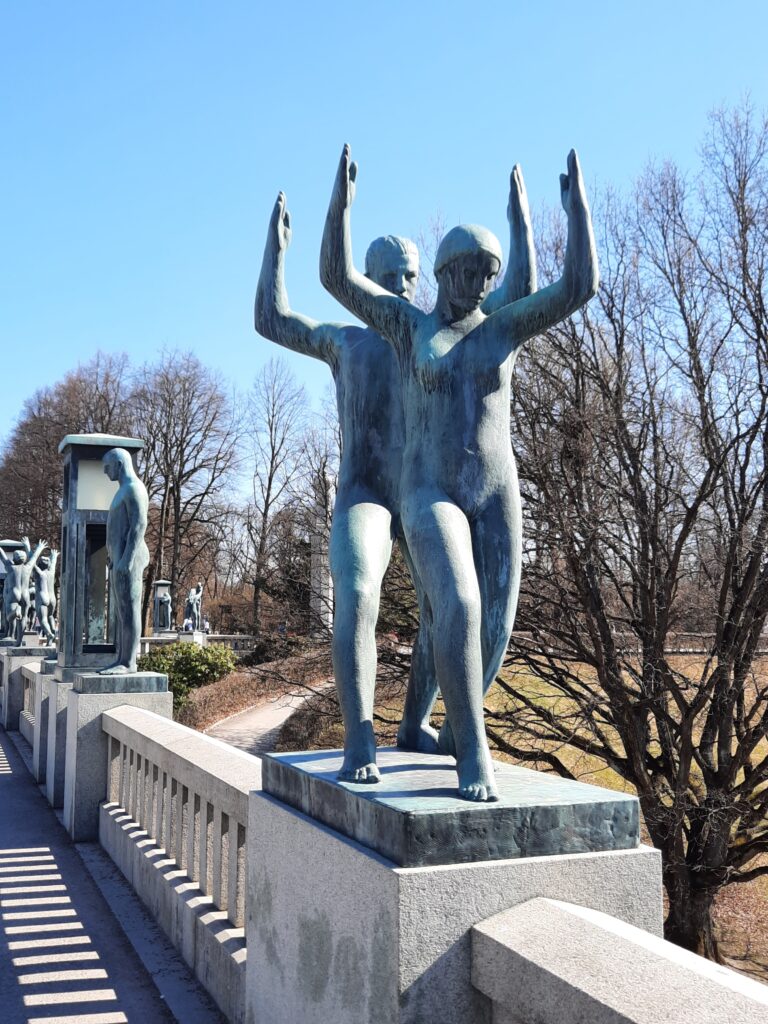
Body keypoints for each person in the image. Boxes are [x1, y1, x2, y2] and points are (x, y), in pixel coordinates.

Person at [321, 145, 598, 801]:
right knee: (461, 603)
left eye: (485, 274)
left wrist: (573, 210)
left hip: (497, 489)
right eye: (465, 272)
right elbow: (337, 276)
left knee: (496, 622)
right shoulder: (407, 326)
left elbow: (576, 286)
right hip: (430, 493)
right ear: (442, 272)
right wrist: (342, 206)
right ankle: (472, 755)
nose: (473, 285)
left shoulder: (503, 328)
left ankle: (451, 726)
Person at [100, 448, 149, 674]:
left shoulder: (134, 488)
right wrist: (114, 558)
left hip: (129, 560)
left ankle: (129, 662)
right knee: (122, 610)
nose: (105, 472)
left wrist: (127, 561)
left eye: (107, 467)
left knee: (129, 608)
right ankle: (122, 659)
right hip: (120, 560)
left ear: (119, 464)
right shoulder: (123, 490)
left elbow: (139, 525)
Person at [0, 537, 47, 645]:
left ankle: (15, 612)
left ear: (15, 559)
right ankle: (19, 641)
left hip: (14, 593)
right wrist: (39, 548)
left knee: (9, 617)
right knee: (24, 617)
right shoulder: (28, 567)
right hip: (25, 594)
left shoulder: (10, 567)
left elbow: (2, 556)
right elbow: (34, 557)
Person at [33, 548, 58, 643]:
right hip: (52, 598)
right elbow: (54, 562)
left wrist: (28, 547)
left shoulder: (39, 573)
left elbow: (32, 561)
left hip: (43, 597)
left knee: (43, 619)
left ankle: (49, 634)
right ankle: (50, 640)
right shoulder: (51, 572)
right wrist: (53, 556)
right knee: (50, 616)